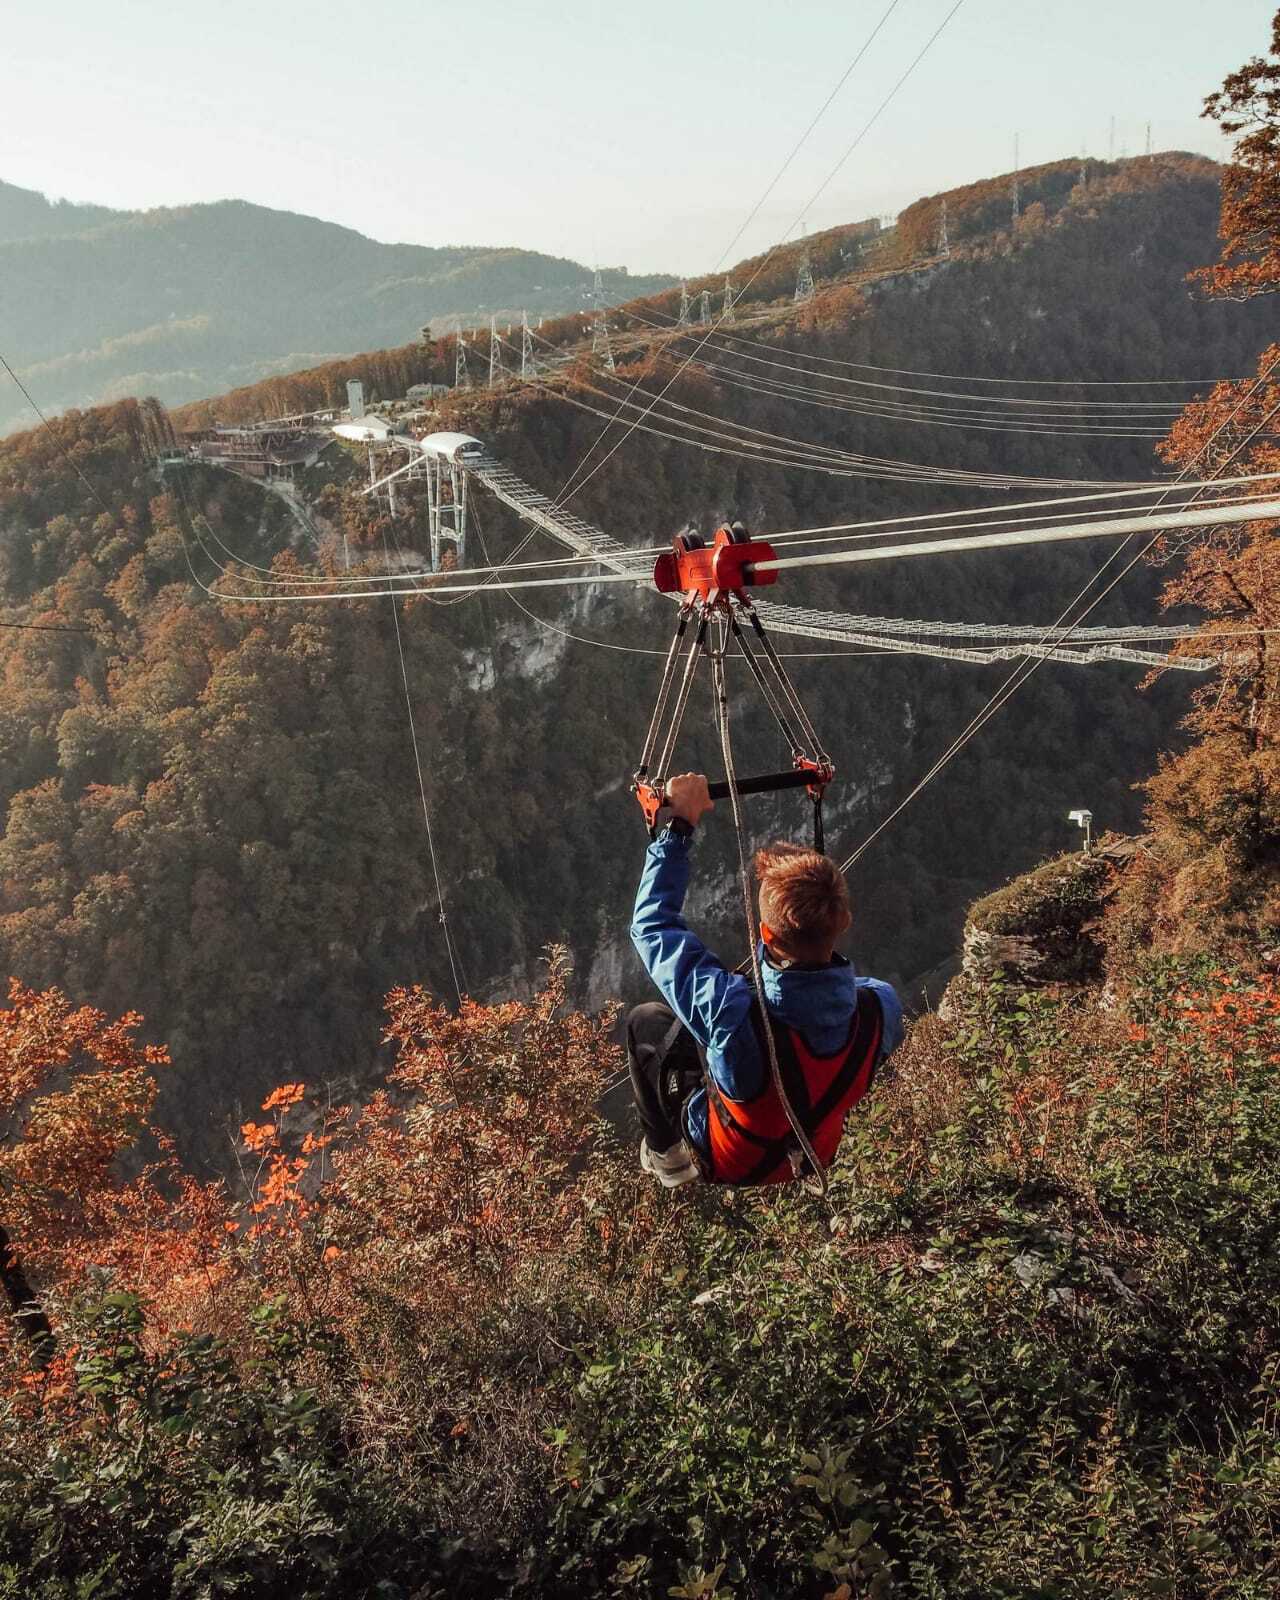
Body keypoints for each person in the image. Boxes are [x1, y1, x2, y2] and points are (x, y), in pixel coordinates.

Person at [628, 772, 903, 1187]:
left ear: (767, 934)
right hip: (815, 1151)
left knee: (647, 1020)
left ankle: (670, 1161)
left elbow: (653, 926)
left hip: (730, 1158)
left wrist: (679, 826)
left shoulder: (730, 1012)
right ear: (843, 922)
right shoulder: (881, 1007)